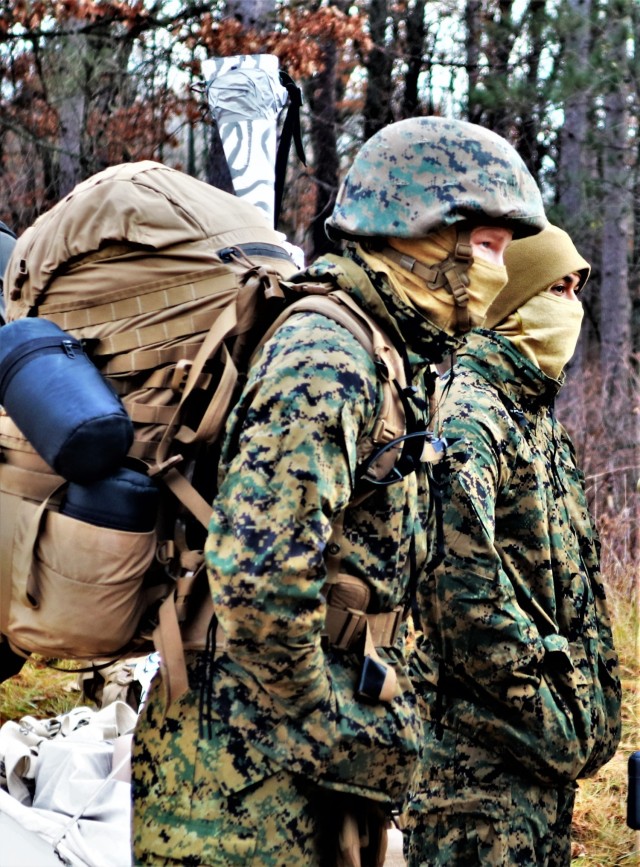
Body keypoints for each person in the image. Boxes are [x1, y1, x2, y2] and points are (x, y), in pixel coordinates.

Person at [131, 116, 547, 867]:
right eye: (488, 244)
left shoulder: (391, 350)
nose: (500, 266)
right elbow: (258, 576)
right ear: (423, 233)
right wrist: (336, 729)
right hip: (239, 778)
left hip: (298, 761)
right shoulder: (328, 352)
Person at [404, 223, 622, 866]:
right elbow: (457, 591)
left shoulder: (535, 419)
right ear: (511, 301)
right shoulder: (468, 414)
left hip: (532, 768)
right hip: (475, 777)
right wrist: (553, 712)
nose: (572, 304)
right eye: (557, 287)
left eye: (578, 288)